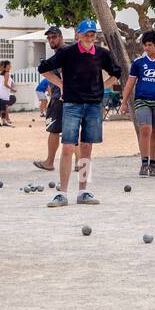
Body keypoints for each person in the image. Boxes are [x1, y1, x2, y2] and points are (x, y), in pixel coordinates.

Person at [40, 18, 120, 207]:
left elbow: (117, 72)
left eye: (93, 34)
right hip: (72, 104)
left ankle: (83, 190)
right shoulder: (67, 52)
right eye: (86, 34)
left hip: (93, 105)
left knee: (87, 148)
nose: (90, 37)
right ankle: (62, 193)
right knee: (68, 147)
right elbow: (43, 69)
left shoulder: (102, 54)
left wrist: (103, 87)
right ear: (78, 35)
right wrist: (61, 84)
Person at [122, 29, 155, 177]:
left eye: (150, 45)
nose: (146, 48)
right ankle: (144, 162)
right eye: (145, 45)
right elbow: (130, 83)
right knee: (145, 128)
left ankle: (153, 163)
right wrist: (124, 101)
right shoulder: (138, 62)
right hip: (141, 100)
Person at [33, 26, 66, 171]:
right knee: (72, 130)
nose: (51, 40)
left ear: (61, 37)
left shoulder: (61, 54)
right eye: (49, 38)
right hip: (66, 97)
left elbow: (63, 73)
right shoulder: (68, 51)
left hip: (61, 98)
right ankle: (78, 163)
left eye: (54, 37)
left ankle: (49, 162)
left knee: (53, 129)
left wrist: (62, 88)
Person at [0, 58, 16, 126]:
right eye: (9, 65)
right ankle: (3, 121)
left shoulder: (2, 73)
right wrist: (12, 89)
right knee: (3, 107)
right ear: (6, 66)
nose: (10, 66)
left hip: (0, 92)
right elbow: (5, 84)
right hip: (4, 92)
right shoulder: (7, 73)